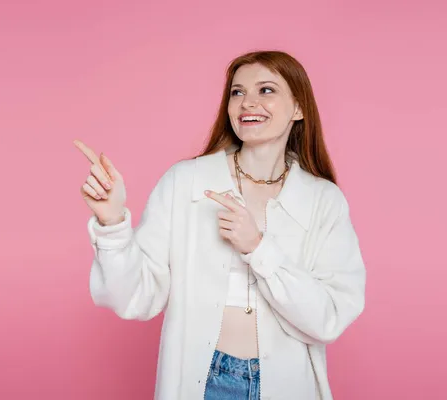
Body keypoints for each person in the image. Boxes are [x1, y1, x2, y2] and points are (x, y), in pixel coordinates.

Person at [74, 50, 366, 400]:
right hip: (204, 382)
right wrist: (112, 223)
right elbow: (135, 296)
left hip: (288, 385)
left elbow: (329, 317)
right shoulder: (186, 182)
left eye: (267, 90)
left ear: (299, 108)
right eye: (237, 92)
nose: (248, 103)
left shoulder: (323, 201)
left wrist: (258, 249)